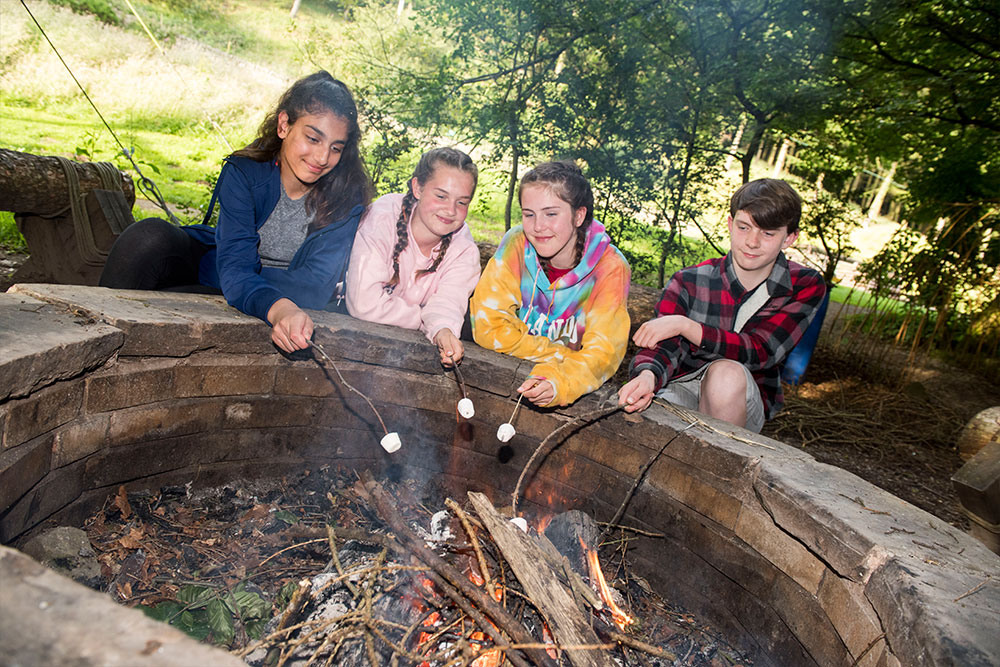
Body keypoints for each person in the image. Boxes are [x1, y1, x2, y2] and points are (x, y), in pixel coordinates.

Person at [99, 71, 373, 353]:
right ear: (283, 126)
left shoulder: (346, 202)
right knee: (147, 237)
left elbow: (314, 289)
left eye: (336, 148)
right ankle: (95, 335)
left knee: (200, 292)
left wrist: (238, 276)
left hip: (235, 285)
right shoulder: (245, 174)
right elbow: (235, 267)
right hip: (235, 277)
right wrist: (240, 276)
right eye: (313, 139)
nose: (322, 158)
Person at [617, 178, 826, 432]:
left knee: (725, 375)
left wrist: (686, 326)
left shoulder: (804, 284)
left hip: (742, 397)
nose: (752, 242)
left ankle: (721, 468)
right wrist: (648, 375)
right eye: (744, 227)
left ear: (789, 238)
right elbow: (663, 344)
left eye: (768, 233)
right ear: (730, 223)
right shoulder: (689, 280)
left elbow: (763, 351)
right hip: (681, 382)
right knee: (648, 417)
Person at [470, 160, 631, 407]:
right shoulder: (517, 243)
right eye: (528, 214)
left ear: (579, 215)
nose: (537, 227)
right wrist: (564, 357)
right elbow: (486, 324)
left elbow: (603, 354)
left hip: (571, 391)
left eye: (551, 214)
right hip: (508, 374)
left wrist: (561, 380)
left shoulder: (609, 268)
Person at [345, 147, 481, 366]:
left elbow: (448, 302)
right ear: (417, 187)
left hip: (400, 357)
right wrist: (424, 319)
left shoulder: (464, 250)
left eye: (462, 202)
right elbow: (363, 304)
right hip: (350, 338)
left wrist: (443, 329)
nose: (450, 210)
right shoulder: (383, 217)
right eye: (441, 196)